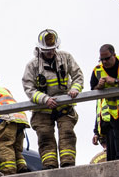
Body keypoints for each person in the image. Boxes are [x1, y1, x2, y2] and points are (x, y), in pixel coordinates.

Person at [22, 29, 84, 169]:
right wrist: (45, 99)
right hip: (42, 109)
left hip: (64, 106)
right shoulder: (32, 66)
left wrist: (75, 89)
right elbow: (29, 88)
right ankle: (50, 166)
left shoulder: (66, 57)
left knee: (67, 133)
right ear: (40, 49)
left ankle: (68, 164)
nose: (50, 52)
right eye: (47, 50)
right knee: (45, 136)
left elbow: (78, 76)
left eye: (53, 49)